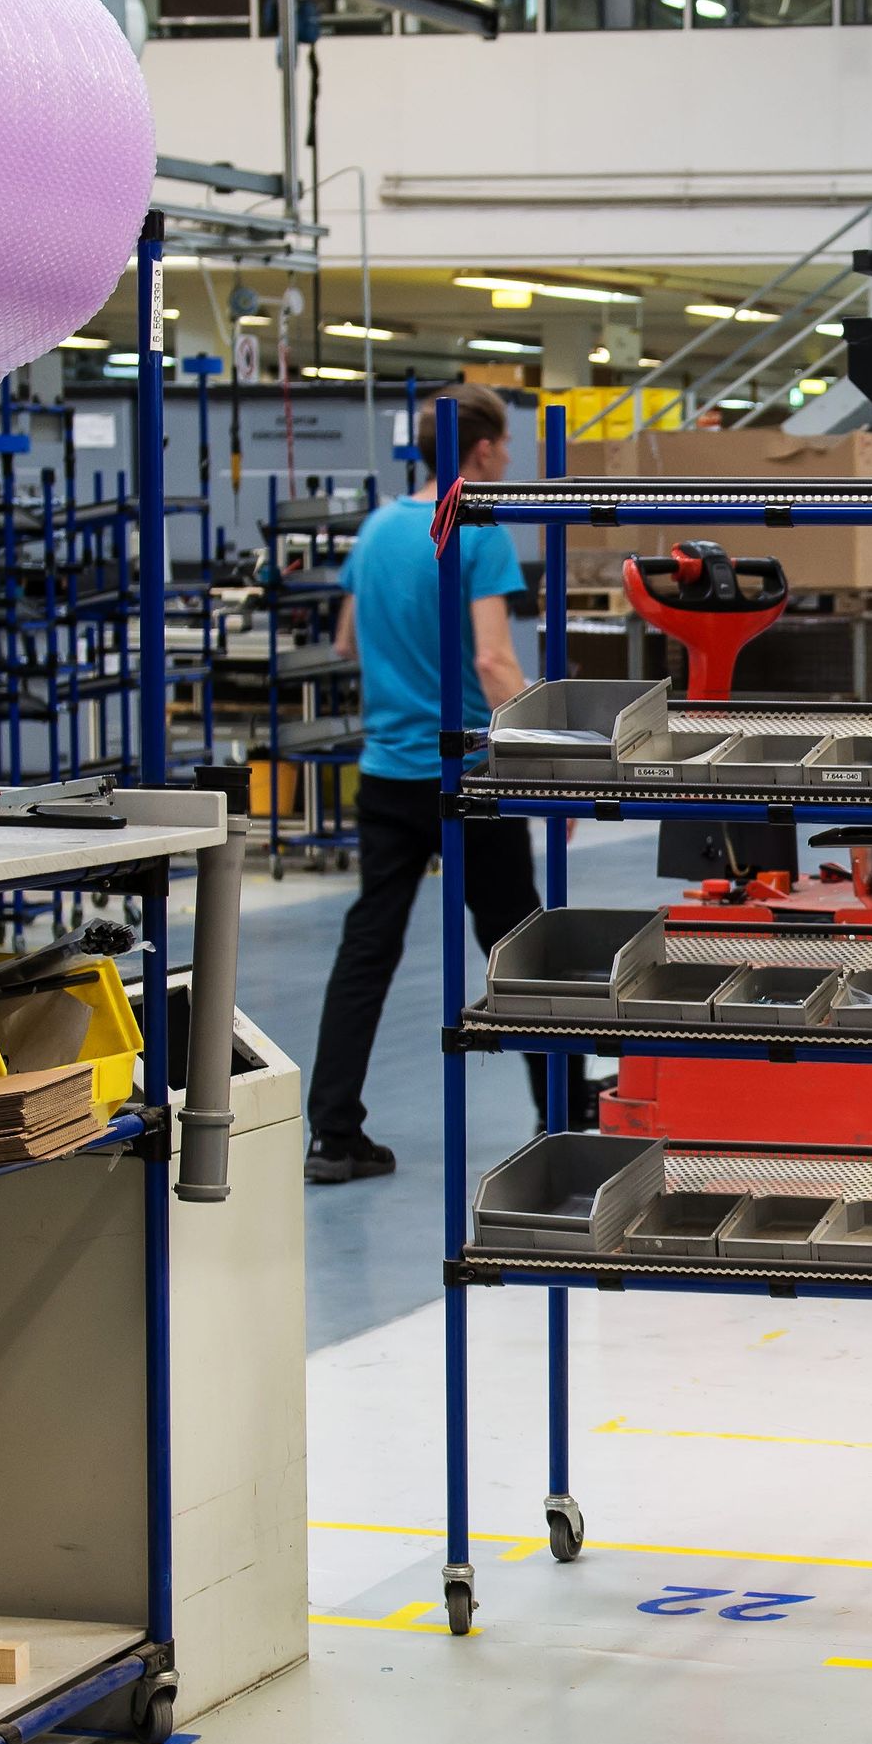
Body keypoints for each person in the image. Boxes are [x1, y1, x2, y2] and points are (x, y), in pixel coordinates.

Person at [304, 385, 544, 1183]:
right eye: (506, 444)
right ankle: (561, 1119)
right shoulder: (474, 528)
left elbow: (345, 643)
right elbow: (492, 659)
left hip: (385, 774)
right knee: (520, 948)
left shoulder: (376, 529)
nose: (509, 458)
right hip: (468, 772)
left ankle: (333, 1133)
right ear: (479, 451)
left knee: (368, 945)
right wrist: (546, 755)